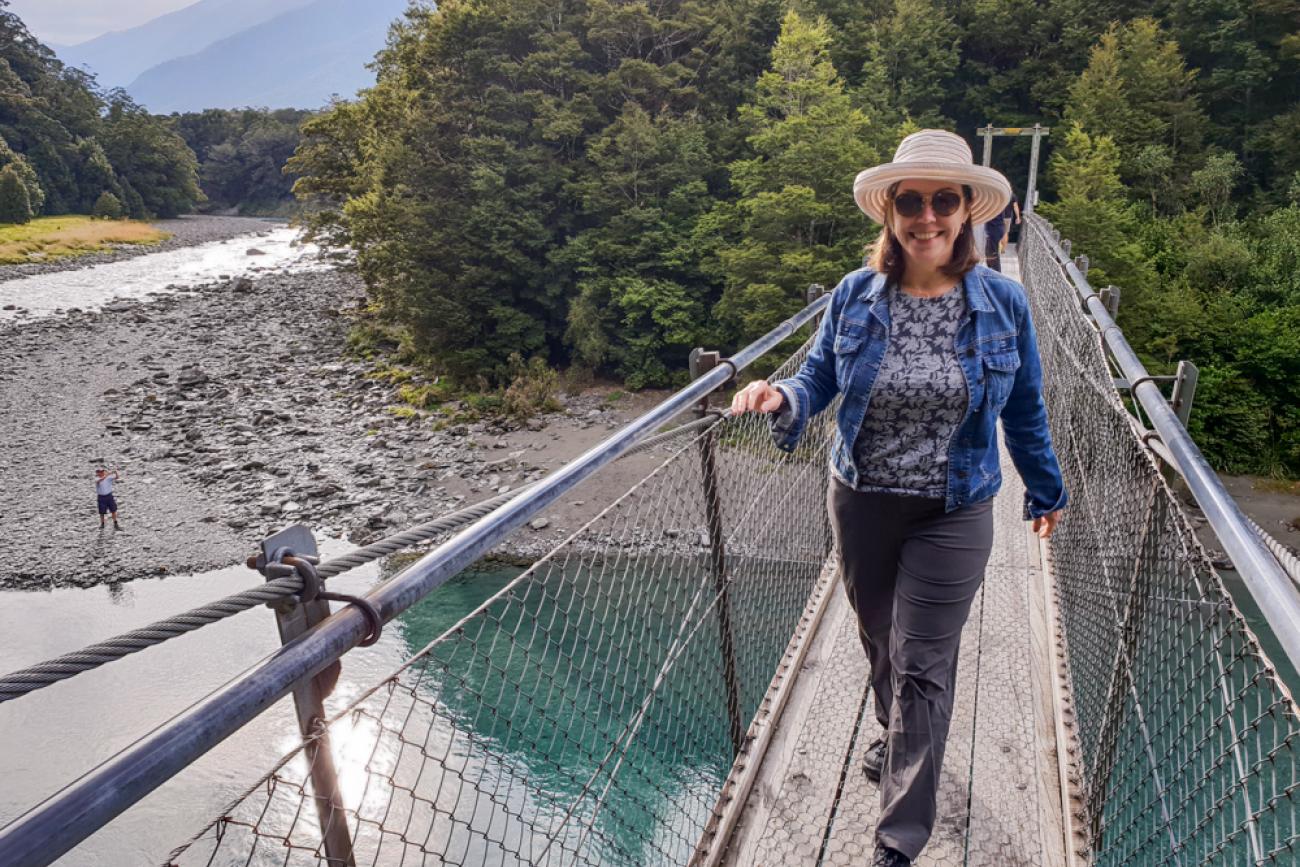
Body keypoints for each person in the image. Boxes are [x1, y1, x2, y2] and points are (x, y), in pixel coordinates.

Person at [730, 129, 1067, 867]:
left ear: (967, 211)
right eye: (910, 201)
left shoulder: (1004, 303)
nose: (927, 216)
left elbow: (1027, 407)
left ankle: (897, 839)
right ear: (889, 213)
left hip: (955, 506)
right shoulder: (855, 295)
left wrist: (1044, 487)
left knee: (923, 660)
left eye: (943, 200)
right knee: (881, 640)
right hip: (861, 497)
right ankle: (898, 734)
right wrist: (778, 392)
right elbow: (817, 376)